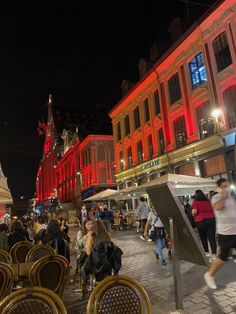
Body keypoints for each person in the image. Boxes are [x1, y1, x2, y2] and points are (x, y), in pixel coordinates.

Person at [204, 178, 236, 289]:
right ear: (219, 188)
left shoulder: (231, 198)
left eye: (227, 185)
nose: (226, 188)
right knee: (222, 257)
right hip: (225, 233)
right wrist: (223, 195)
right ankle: (209, 275)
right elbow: (219, 207)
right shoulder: (216, 197)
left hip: (235, 231)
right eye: (223, 186)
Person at [191, 190, 217, 260]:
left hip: (201, 221)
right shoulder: (208, 201)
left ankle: (207, 252)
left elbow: (194, 212)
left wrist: (194, 216)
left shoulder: (195, 202)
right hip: (211, 219)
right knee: (212, 238)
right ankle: (214, 254)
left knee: (203, 237)